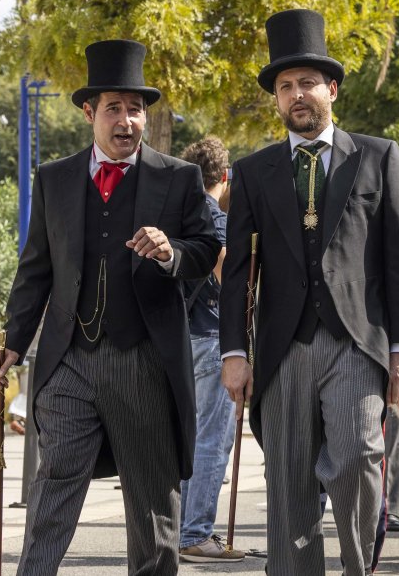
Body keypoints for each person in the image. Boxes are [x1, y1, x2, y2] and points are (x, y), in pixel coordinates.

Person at [0, 39, 221, 573]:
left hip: (143, 359)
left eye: (135, 109)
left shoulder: (178, 177)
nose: (126, 120)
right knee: (54, 486)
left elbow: (205, 248)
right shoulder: (55, 178)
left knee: (152, 503)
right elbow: (36, 270)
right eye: (113, 108)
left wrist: (171, 250)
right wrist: (13, 343)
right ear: (89, 113)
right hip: (69, 358)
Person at [220, 9, 399, 575]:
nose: (296, 95)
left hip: (356, 342)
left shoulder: (379, 156)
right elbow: (237, 272)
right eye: (285, 87)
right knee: (288, 480)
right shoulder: (254, 170)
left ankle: (359, 568)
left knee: (358, 457)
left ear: (331, 89)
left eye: (307, 82)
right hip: (282, 347)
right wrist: (234, 352)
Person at [178, 136, 244, 563]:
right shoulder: (215, 218)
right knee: (213, 440)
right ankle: (196, 533)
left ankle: (182, 528)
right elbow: (227, 274)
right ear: (223, 175)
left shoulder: (177, 216)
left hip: (180, 337)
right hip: (212, 336)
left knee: (189, 439)